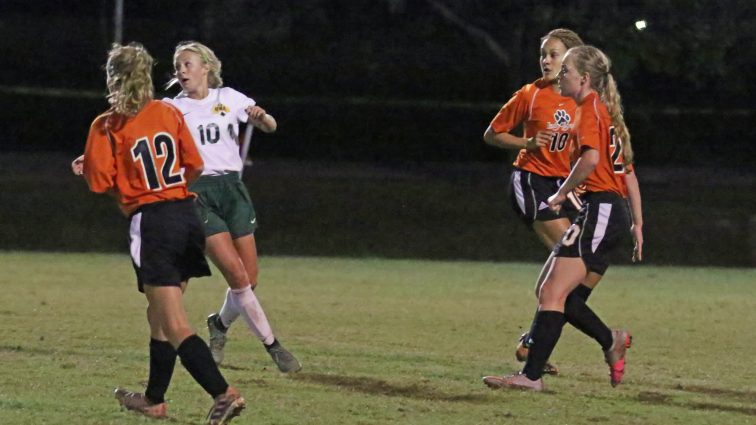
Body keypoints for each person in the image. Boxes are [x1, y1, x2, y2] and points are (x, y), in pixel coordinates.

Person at [81, 42, 244, 424]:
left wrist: (94, 164)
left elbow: (99, 180)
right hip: (186, 216)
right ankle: (154, 399)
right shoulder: (168, 111)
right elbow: (194, 164)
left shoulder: (107, 124)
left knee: (174, 324)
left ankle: (224, 394)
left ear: (113, 79)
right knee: (159, 317)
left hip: (153, 223)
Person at [483, 29, 643, 375]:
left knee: (581, 279)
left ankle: (538, 343)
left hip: (573, 192)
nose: (547, 61)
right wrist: (526, 143)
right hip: (536, 185)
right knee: (562, 280)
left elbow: (613, 161)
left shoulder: (587, 102)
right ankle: (542, 348)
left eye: (555, 55)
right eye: (544, 54)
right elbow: (491, 134)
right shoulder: (531, 95)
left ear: (574, 63)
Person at [164, 41, 301, 372]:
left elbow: (270, 126)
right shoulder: (170, 107)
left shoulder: (229, 98)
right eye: (178, 65)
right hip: (197, 193)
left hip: (233, 189)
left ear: (206, 68)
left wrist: (261, 116)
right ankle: (274, 347)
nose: (182, 70)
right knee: (238, 277)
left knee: (249, 279)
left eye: (188, 64)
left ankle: (219, 325)